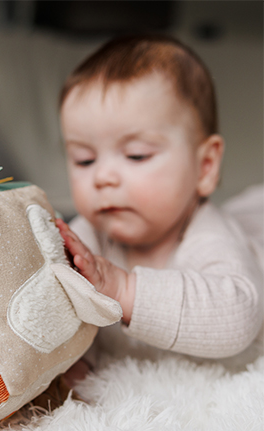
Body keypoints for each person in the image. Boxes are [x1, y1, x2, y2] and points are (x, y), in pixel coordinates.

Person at [55, 34, 263, 376]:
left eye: (137, 155)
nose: (102, 177)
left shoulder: (207, 232)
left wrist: (124, 290)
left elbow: (239, 317)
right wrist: (76, 364)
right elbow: (64, 309)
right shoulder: (88, 235)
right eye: (84, 159)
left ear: (205, 166)